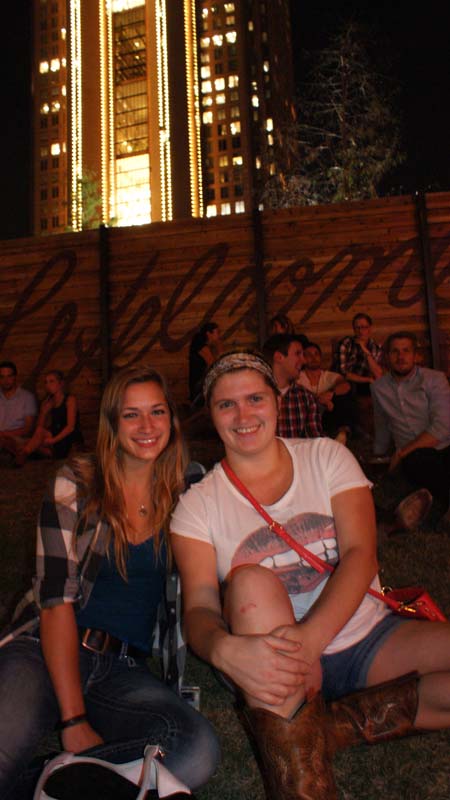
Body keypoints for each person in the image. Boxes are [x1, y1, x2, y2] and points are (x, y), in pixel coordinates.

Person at [170, 350, 450, 799]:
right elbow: (200, 607)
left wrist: (311, 642)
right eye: (226, 404)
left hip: (365, 637)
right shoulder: (196, 506)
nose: (243, 415)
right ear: (212, 414)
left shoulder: (326, 457)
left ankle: (332, 726)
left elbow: (361, 555)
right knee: (250, 581)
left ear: (277, 400)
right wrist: (223, 649)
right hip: (270, 653)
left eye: (255, 399)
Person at [0, 364, 219, 799]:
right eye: (131, 414)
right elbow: (54, 601)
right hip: (44, 649)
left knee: (195, 751)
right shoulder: (76, 483)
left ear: (172, 419)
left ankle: (53, 779)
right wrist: (74, 720)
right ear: (112, 423)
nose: (147, 426)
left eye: (157, 411)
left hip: (121, 668)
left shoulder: (190, 490)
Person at [371, 331, 450, 530]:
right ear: (387, 356)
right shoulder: (378, 388)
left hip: (444, 446)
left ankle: (434, 505)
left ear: (416, 355)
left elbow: (443, 426)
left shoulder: (434, 379)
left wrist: (401, 453)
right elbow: (382, 427)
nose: (401, 356)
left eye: (406, 351)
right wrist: (379, 459)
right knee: (419, 460)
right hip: (416, 460)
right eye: (395, 352)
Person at [15, 370, 83, 466]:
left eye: (51, 381)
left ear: (60, 383)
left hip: (68, 438)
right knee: (32, 440)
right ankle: (24, 453)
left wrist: (53, 440)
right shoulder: (48, 401)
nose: (48, 385)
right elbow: (39, 428)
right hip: (53, 435)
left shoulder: (70, 399)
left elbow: (70, 427)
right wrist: (43, 412)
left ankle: (23, 454)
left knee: (30, 443)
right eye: (46, 382)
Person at [263, 334, 323, 438]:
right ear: (279, 357)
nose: (304, 360)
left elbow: (315, 442)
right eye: (298, 354)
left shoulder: (306, 398)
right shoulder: (252, 395)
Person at [298, 342, 354, 443]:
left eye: (316, 354)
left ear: (320, 357)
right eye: (309, 355)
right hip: (308, 416)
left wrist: (330, 393)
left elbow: (346, 385)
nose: (313, 358)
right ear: (303, 358)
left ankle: (342, 434)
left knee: (345, 395)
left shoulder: (329, 376)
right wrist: (319, 399)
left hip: (328, 415)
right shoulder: (298, 376)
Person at [0, 361, 37, 457]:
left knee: (9, 443)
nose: (6, 380)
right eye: (2, 377)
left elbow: (28, 428)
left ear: (15, 377)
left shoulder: (27, 397)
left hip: (17, 438)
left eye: (9, 376)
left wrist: (4, 434)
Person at [188, 322, 223, 407]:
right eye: (217, 332)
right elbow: (213, 365)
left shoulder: (202, 344)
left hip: (201, 382)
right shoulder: (200, 345)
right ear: (208, 333)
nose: (219, 335)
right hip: (199, 385)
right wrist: (219, 345)